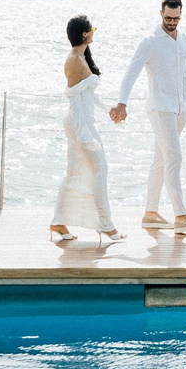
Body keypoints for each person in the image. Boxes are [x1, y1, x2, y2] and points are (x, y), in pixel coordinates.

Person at [113, 0, 186, 231]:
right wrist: (122, 103)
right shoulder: (150, 42)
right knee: (174, 157)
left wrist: (185, 103)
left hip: (178, 110)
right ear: (161, 14)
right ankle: (181, 217)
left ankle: (151, 213)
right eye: (168, 18)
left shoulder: (184, 39)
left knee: (160, 161)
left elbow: (182, 74)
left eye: (176, 18)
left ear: (180, 15)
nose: (172, 22)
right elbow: (130, 72)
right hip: (159, 108)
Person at [49, 13, 125, 246]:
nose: (93, 31)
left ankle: (59, 222)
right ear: (84, 34)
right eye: (91, 28)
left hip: (83, 121)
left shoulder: (82, 57)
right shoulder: (73, 59)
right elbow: (74, 101)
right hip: (79, 123)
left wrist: (107, 109)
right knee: (100, 169)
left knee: (74, 172)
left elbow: (88, 94)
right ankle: (106, 225)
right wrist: (84, 134)